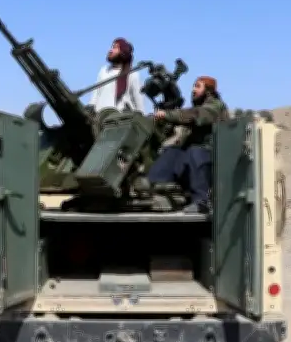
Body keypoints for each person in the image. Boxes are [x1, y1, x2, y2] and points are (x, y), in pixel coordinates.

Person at [148, 76, 229, 213]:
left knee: (194, 151)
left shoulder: (216, 106)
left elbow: (197, 116)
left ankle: (201, 201)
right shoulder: (196, 108)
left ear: (208, 91)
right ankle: (154, 191)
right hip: (195, 159)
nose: (193, 90)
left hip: (213, 158)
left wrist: (168, 115)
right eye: (193, 86)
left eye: (198, 86)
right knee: (172, 152)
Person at [89, 37, 146, 113]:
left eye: (115, 48)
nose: (110, 50)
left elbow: (139, 103)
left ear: (123, 52)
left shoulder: (132, 74)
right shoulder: (103, 71)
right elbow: (95, 96)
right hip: (101, 117)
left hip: (121, 118)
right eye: (112, 47)